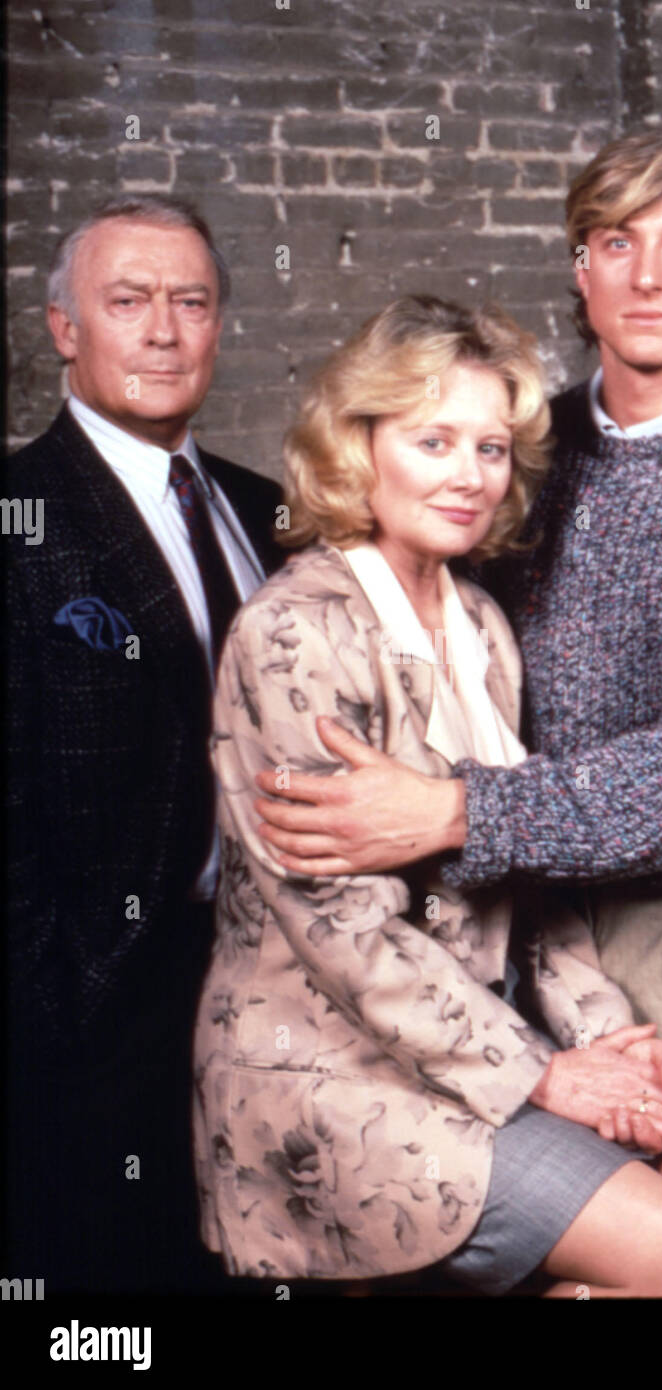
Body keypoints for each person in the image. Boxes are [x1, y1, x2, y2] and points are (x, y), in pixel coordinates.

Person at [251, 133, 662, 1297]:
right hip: (527, 924)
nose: (647, 276)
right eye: (614, 243)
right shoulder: (524, 449)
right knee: (618, 1257)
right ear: (580, 268)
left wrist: (453, 812)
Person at [194, 294, 662, 1298]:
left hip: (482, 1033)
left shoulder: (479, 624)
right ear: (358, 446)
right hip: (332, 1064)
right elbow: (340, 930)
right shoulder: (294, 633)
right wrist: (549, 1073)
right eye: (433, 441)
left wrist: (606, 1040)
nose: (469, 475)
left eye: (490, 448)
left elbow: (531, 876)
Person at [3, 195, 285, 1292]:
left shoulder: (267, 512)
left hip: (273, 978)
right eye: (128, 302)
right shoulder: (18, 516)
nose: (164, 331)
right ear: (64, 328)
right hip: (97, 1004)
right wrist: (54, 1005)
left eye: (191, 302)